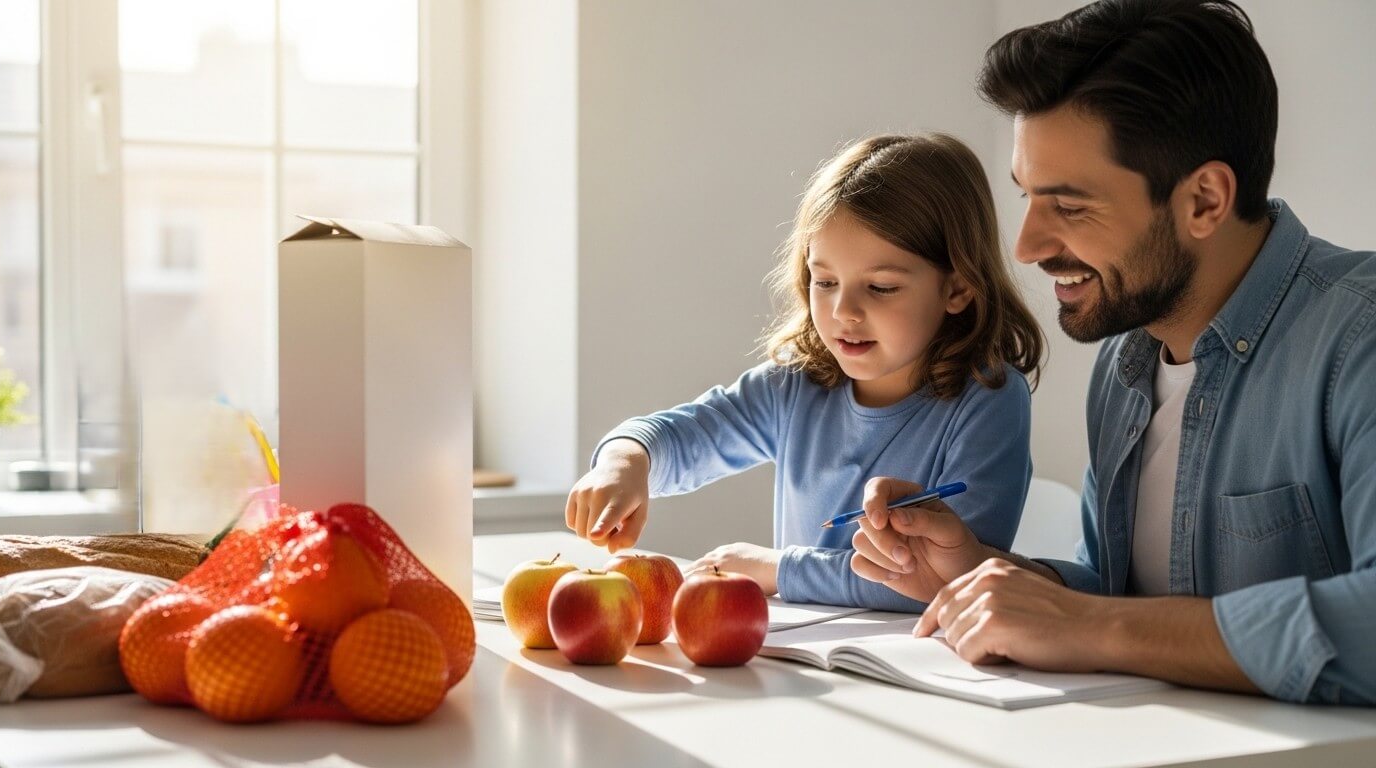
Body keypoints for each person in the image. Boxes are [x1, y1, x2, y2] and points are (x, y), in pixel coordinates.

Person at [851, 0, 1376, 704]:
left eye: (1068, 207)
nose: (1026, 248)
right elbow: (1121, 592)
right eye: (1028, 199)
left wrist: (1095, 626)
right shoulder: (1126, 364)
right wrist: (976, 572)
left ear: (1204, 201)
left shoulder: (1359, 338)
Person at [565, 132, 1043, 610]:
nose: (844, 310)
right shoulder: (797, 384)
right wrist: (626, 460)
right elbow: (683, 434)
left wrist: (778, 570)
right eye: (826, 280)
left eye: (880, 287)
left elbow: (955, 579)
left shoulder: (990, 399)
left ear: (957, 289)